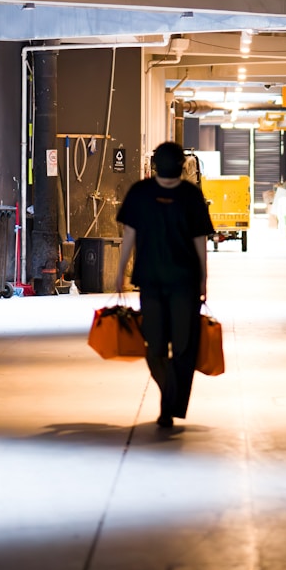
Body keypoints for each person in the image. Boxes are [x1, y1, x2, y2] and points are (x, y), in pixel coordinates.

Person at [114, 142, 215, 429]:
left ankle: (167, 405)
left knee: (157, 347)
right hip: (176, 282)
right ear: (183, 164)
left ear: (156, 163)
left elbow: (128, 235)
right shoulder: (188, 195)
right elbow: (200, 241)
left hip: (159, 282)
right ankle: (171, 397)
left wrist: (121, 271)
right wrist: (204, 277)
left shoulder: (142, 193)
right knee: (178, 348)